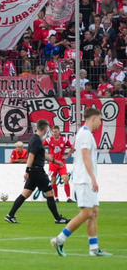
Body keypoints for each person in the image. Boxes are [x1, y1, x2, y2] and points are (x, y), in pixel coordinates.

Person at [51, 107, 111, 256]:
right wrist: (92, 178)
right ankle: (59, 239)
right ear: (93, 119)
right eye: (100, 119)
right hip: (84, 179)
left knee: (94, 211)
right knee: (86, 212)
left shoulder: (85, 133)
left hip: (86, 180)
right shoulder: (85, 135)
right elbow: (85, 156)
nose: (100, 122)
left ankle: (93, 249)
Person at [4, 119, 69, 224]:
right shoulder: (36, 140)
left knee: (26, 193)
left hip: (34, 171)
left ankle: (10, 215)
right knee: (49, 192)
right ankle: (58, 218)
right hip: (37, 171)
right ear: (44, 128)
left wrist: (55, 161)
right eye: (47, 128)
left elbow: (41, 155)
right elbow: (31, 156)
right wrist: (27, 170)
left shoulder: (35, 139)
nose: (48, 130)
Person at [45, 124, 74, 202]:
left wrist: (67, 155)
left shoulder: (64, 140)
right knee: (53, 181)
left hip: (61, 163)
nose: (54, 133)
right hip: (52, 163)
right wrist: (47, 155)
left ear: (59, 132)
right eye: (53, 132)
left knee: (65, 179)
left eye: (55, 131)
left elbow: (72, 147)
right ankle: (56, 198)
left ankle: (68, 198)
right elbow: (40, 146)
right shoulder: (49, 140)